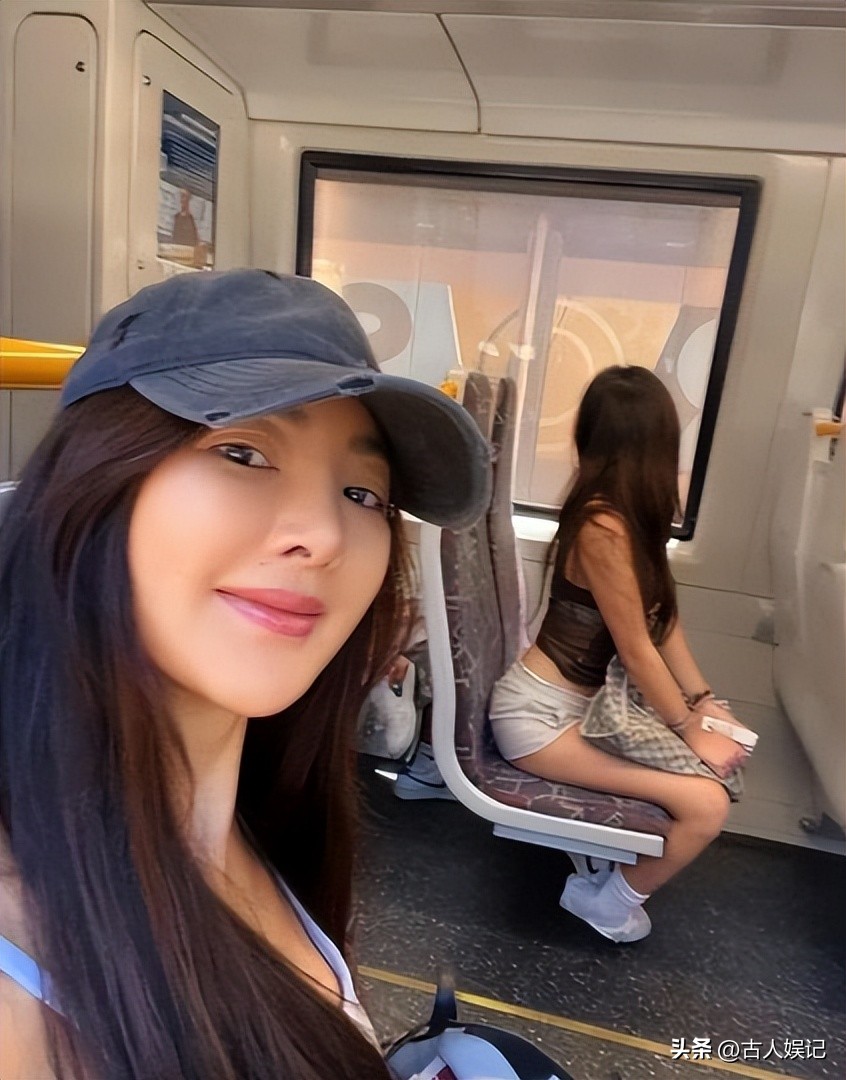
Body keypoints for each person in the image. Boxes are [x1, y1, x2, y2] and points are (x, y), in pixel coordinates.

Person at [0, 270, 490, 1079]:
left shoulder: (263, 826)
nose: (323, 536)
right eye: (242, 453)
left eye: (362, 493)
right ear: (93, 480)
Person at [488, 365, 752, 944]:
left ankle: (609, 887)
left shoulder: (630, 519)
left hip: (579, 713)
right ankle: (606, 903)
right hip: (539, 720)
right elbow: (636, 651)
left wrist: (706, 703)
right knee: (706, 806)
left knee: (710, 772)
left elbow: (663, 624)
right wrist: (688, 729)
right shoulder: (602, 525)